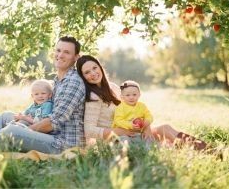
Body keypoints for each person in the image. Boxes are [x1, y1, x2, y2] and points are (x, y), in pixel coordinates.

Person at [76, 55, 207, 150]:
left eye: (94, 67)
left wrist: (147, 128)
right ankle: (193, 150)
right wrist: (119, 131)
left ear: (100, 67)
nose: (93, 73)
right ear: (83, 77)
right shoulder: (93, 97)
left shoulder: (113, 88)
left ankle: (211, 150)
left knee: (165, 128)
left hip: (133, 131)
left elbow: (135, 108)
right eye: (87, 72)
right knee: (163, 140)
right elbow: (89, 130)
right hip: (117, 140)